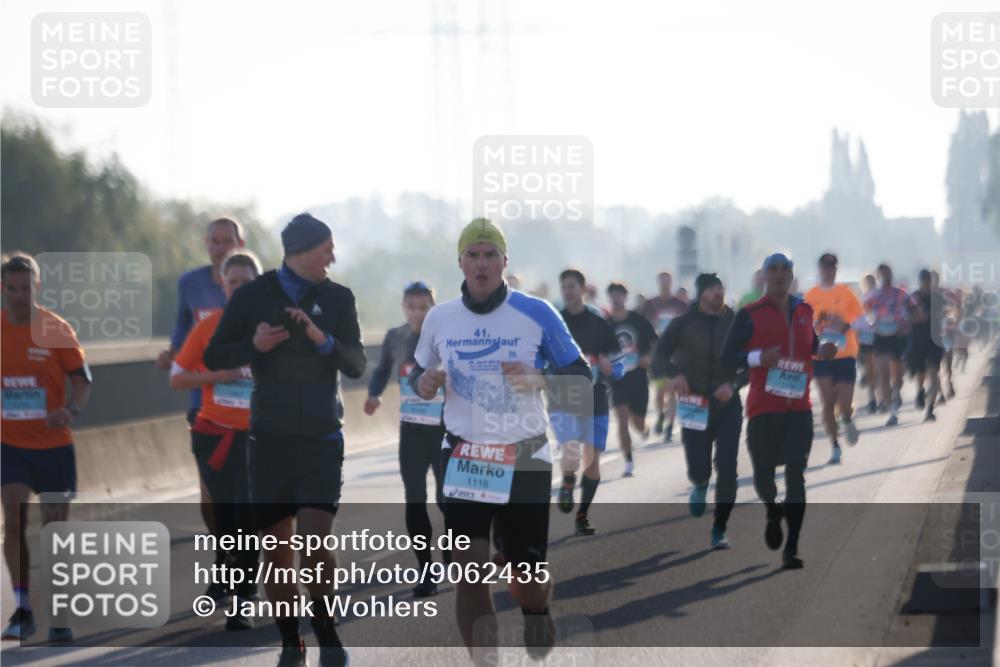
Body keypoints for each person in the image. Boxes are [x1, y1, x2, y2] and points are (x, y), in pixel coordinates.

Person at [410, 218, 590, 662]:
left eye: (491, 255)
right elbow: (418, 372)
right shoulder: (440, 317)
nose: (482, 264)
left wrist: (539, 377)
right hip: (467, 455)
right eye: (473, 255)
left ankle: (537, 608)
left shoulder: (538, 312)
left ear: (505, 262)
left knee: (526, 581)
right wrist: (426, 383)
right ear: (460, 262)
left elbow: (582, 382)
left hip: (525, 456)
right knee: (470, 572)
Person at [204, 213, 365, 667]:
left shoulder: (338, 297)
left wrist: (322, 339)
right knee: (278, 552)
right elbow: (216, 353)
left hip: (321, 436)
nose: (333, 256)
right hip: (270, 439)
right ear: (300, 252)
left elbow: (356, 364)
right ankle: (290, 640)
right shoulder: (254, 295)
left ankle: (329, 636)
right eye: (325, 249)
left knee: (314, 543)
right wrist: (255, 344)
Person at [722, 253, 837, 570]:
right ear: (763, 276)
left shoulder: (803, 309)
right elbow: (728, 356)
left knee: (796, 474)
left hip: (799, 408)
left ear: (792, 276)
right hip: (763, 409)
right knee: (762, 475)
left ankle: (792, 548)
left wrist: (822, 349)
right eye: (773, 269)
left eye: (785, 269)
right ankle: (773, 510)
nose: (779, 275)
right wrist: (759, 358)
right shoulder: (749, 314)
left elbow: (809, 344)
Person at [2, 253, 93, 642]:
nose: (20, 296)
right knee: (15, 518)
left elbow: (83, 379)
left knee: (55, 529)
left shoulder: (56, 329)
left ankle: (60, 612)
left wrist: (70, 409)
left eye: (27, 288)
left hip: (54, 447)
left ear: (37, 287)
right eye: (12, 289)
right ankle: (22, 610)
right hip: (11, 444)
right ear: (3, 289)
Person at [170, 250, 262, 630]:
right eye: (232, 282)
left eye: (246, 282)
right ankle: (225, 576)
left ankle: (242, 600)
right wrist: (219, 375)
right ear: (223, 286)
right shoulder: (208, 328)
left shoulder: (274, 328)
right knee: (223, 518)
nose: (239, 288)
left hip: (259, 437)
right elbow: (177, 377)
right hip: (214, 434)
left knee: (247, 515)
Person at [157, 217, 245, 587]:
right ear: (205, 243)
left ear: (240, 243)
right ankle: (224, 555)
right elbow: (182, 332)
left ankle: (243, 571)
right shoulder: (190, 284)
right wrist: (174, 354)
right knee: (211, 493)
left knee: (248, 495)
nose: (220, 247)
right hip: (205, 404)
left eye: (227, 241)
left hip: (253, 412)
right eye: (214, 241)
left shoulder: (255, 286)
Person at [364, 280, 447, 597]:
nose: (417, 313)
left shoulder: (443, 336)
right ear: (404, 307)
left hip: (442, 430)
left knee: (445, 499)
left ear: (432, 308)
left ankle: (453, 554)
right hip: (412, 429)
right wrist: (374, 395)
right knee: (415, 498)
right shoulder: (396, 337)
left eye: (423, 307)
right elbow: (382, 370)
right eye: (411, 307)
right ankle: (426, 569)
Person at [653, 273, 745, 550]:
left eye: (721, 288)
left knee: (728, 467)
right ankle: (701, 483)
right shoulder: (683, 324)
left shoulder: (736, 322)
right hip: (694, 403)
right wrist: (675, 376)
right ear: (701, 293)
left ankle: (720, 528)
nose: (719, 293)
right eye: (713, 289)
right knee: (699, 465)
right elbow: (659, 356)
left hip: (728, 403)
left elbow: (752, 361)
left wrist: (735, 383)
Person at [554, 268, 622, 536]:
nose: (567, 291)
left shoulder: (599, 322)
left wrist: (609, 368)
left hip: (595, 398)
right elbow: (543, 358)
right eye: (564, 286)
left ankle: (582, 514)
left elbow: (619, 366)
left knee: (592, 461)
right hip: (565, 398)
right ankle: (568, 480)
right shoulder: (556, 323)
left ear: (583, 289)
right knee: (570, 451)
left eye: (572, 286)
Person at [804, 253, 864, 464]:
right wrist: (814, 330)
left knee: (844, 403)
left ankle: (846, 417)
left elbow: (862, 320)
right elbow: (803, 323)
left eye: (832, 267)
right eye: (825, 266)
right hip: (821, 356)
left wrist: (845, 326)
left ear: (836, 269)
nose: (829, 270)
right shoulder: (810, 295)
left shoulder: (846, 293)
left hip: (845, 353)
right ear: (820, 269)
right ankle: (835, 446)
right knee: (828, 401)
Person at [606, 282, 659, 477]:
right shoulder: (606, 323)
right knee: (621, 419)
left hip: (638, 377)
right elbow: (598, 349)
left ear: (625, 297)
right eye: (613, 295)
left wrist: (649, 358)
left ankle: (644, 429)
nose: (616, 298)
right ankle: (628, 461)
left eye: (620, 295)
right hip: (617, 378)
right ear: (609, 298)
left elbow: (656, 343)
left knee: (637, 422)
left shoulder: (638, 320)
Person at [640, 271, 688, 443]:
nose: (665, 284)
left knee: (673, 390)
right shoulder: (651, 304)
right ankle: (661, 415)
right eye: (662, 281)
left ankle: (669, 426)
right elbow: (641, 326)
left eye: (668, 280)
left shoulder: (680, 305)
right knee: (660, 391)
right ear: (658, 282)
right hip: (657, 354)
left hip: (675, 354)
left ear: (671, 282)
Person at [863, 264, 911, 427]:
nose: (885, 277)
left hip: (898, 336)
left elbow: (914, 312)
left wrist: (905, 326)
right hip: (881, 336)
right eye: (882, 275)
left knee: (898, 375)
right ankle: (892, 412)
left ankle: (896, 391)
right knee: (882, 372)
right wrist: (871, 322)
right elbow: (865, 312)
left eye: (888, 274)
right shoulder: (873, 295)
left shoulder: (902, 294)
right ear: (879, 277)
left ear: (891, 274)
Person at [906, 270, 945, 422]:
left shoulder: (938, 298)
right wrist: (917, 317)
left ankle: (930, 409)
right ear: (921, 281)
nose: (927, 283)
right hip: (917, 341)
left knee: (933, 373)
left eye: (929, 280)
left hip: (935, 341)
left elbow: (944, 314)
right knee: (921, 374)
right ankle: (920, 391)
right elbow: (906, 318)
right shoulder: (913, 298)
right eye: (924, 280)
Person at [857, 274, 879, 413]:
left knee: (874, 370)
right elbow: (858, 318)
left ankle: (876, 398)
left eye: (871, 282)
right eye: (867, 282)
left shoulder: (878, 297)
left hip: (876, 337)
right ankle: (873, 398)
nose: (869, 285)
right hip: (865, 339)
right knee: (870, 370)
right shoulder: (862, 299)